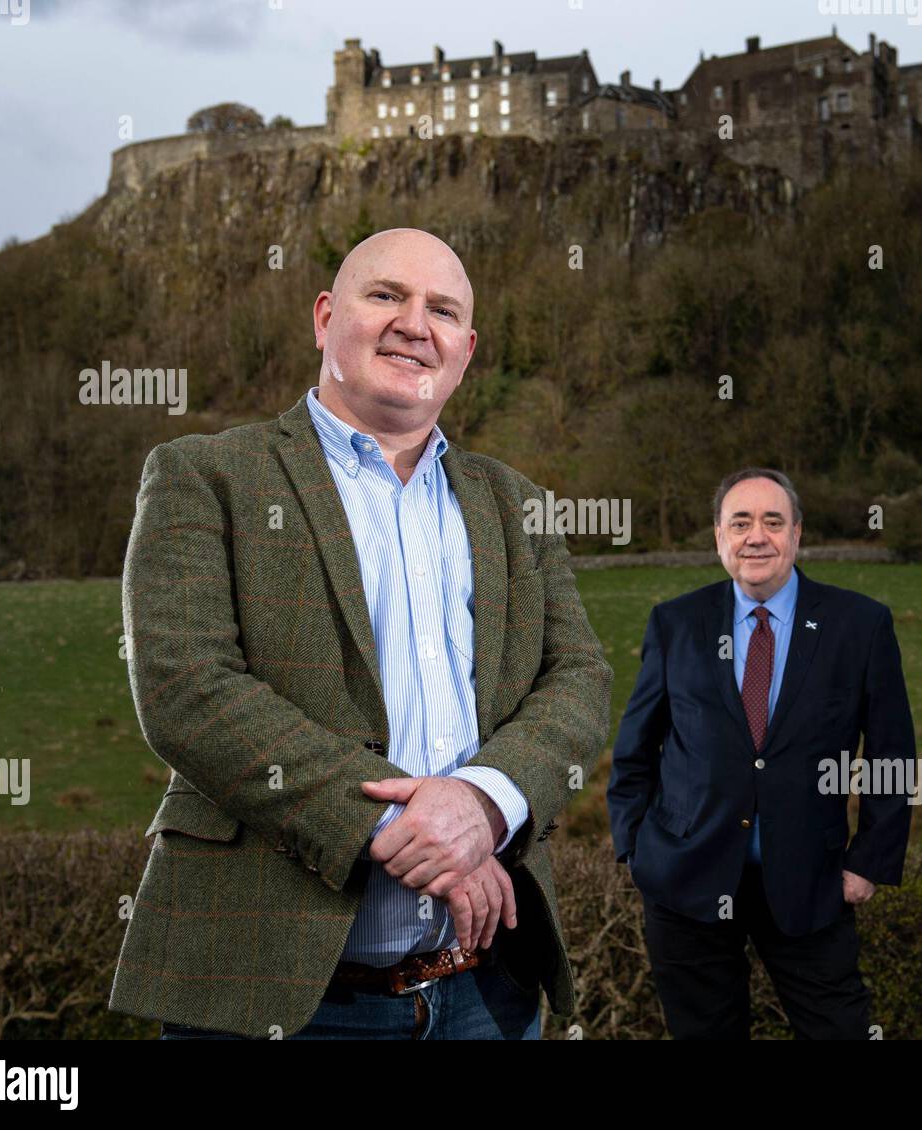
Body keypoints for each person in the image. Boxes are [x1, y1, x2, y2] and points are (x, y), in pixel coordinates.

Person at [108, 228, 612, 1040]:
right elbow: (186, 687)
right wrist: (406, 827)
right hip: (273, 993)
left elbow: (579, 679)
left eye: (442, 310)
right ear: (323, 317)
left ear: (467, 349)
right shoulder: (206, 475)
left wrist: (484, 804)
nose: (416, 324)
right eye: (386, 296)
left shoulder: (520, 505)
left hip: (486, 993)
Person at [607, 468, 915, 1039]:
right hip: (686, 881)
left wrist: (869, 860)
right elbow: (635, 749)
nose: (756, 536)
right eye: (740, 522)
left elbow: (892, 754)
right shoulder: (676, 623)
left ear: (797, 534)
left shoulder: (860, 625)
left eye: (773, 522)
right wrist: (635, 848)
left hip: (811, 880)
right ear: (718, 537)